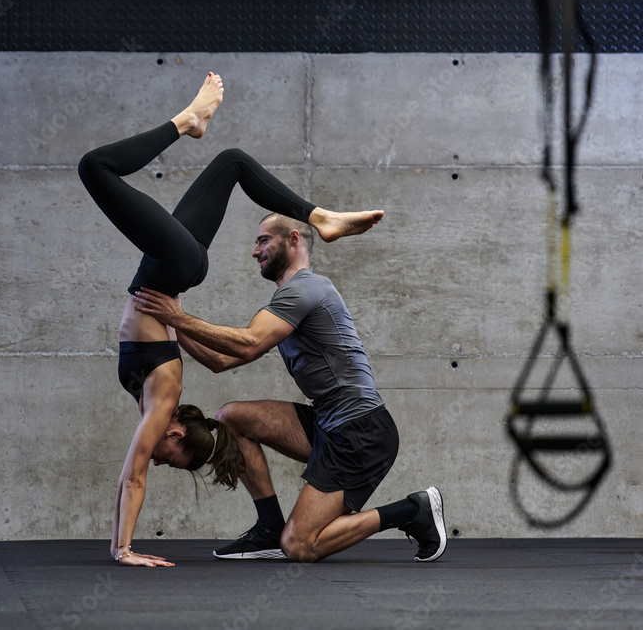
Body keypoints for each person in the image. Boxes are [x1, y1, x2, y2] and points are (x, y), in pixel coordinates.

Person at [77, 73, 385, 567]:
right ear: (175, 434)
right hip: (173, 264)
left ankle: (310, 209)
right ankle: (197, 129)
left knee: (224, 163)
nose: (159, 458)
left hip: (174, 264)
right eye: (170, 456)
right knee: (103, 166)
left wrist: (178, 322)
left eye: (166, 463)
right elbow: (134, 475)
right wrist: (122, 550)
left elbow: (136, 468)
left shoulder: (158, 400)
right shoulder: (162, 403)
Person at [132, 212, 447, 563]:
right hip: (329, 421)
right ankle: (268, 528)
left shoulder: (306, 289)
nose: (255, 251)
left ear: (293, 240)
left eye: (263, 240)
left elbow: (249, 342)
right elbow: (219, 361)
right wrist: (171, 327)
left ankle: (411, 510)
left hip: (361, 432)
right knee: (231, 417)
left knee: (299, 545)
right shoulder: (290, 299)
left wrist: (177, 317)